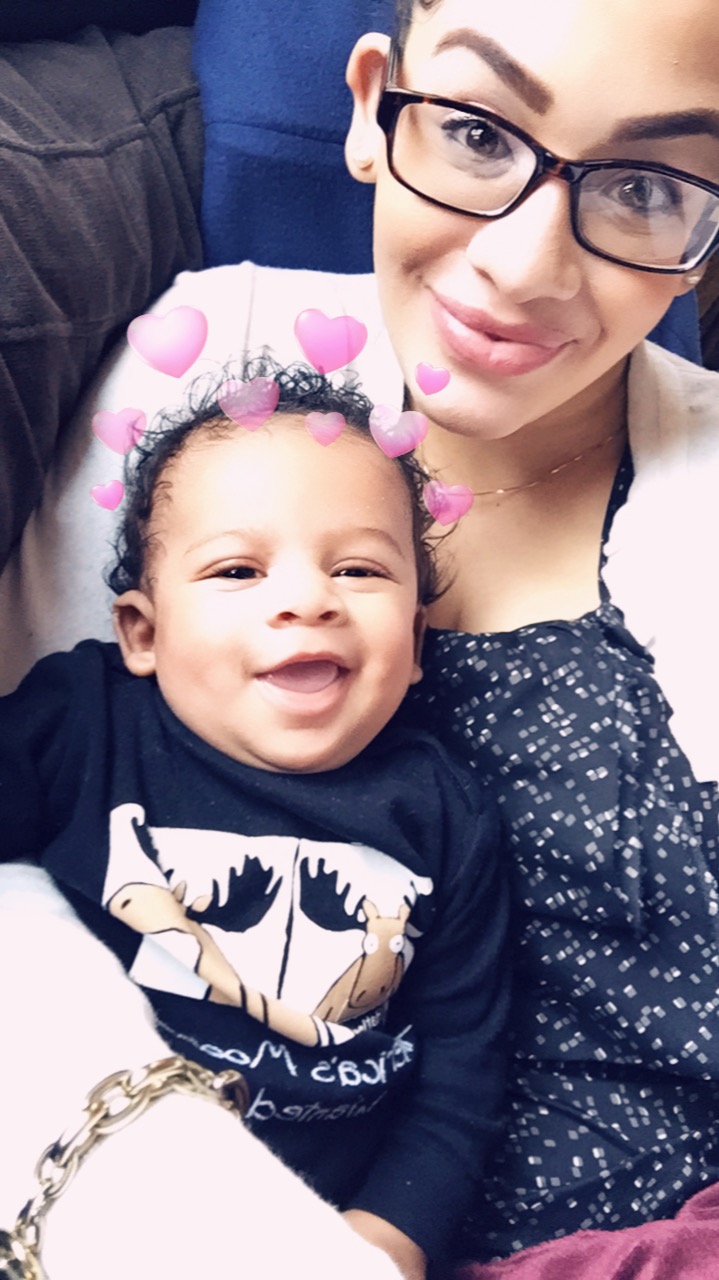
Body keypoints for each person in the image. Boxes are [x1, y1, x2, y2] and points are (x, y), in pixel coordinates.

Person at [1, 0, 719, 1277]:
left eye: (642, 189)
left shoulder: (449, 812)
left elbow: (460, 1063)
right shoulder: (185, 381)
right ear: (371, 103)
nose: (523, 265)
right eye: (476, 133)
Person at [0, 357, 508, 1280]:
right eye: (238, 569)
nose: (308, 598)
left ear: (414, 642)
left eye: (357, 568)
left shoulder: (445, 812)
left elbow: (460, 1079)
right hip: (75, 1185)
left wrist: (386, 1239)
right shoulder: (83, 723)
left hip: (302, 1236)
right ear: (143, 633)